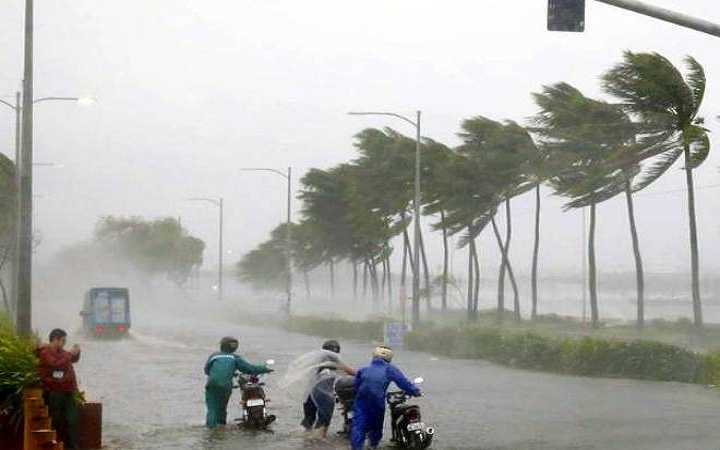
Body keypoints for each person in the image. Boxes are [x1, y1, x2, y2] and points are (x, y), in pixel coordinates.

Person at [351, 345, 421, 450]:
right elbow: (403, 383)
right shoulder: (390, 369)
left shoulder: (363, 370)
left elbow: (356, 386)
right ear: (389, 357)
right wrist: (415, 392)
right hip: (377, 401)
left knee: (358, 425)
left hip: (361, 400)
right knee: (376, 425)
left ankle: (357, 447)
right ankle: (373, 446)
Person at [204, 336, 272, 428]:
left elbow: (207, 370)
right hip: (226, 386)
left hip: (212, 384)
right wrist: (264, 369)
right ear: (235, 347)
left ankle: (211, 428)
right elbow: (249, 369)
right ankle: (221, 426)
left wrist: (229, 373)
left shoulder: (214, 356)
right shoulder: (235, 357)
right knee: (222, 408)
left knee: (212, 408)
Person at [300, 340, 355, 438]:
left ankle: (305, 441)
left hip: (309, 394)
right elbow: (350, 371)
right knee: (323, 421)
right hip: (323, 395)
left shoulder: (316, 360)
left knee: (308, 420)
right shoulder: (333, 361)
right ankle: (319, 442)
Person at [37, 328, 81, 450]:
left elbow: (71, 359)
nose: (64, 344)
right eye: (63, 341)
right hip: (54, 391)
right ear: (55, 340)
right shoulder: (45, 352)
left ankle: (72, 446)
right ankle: (54, 445)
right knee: (56, 421)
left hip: (68, 390)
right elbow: (56, 364)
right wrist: (70, 354)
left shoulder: (61, 352)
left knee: (72, 420)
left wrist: (76, 353)